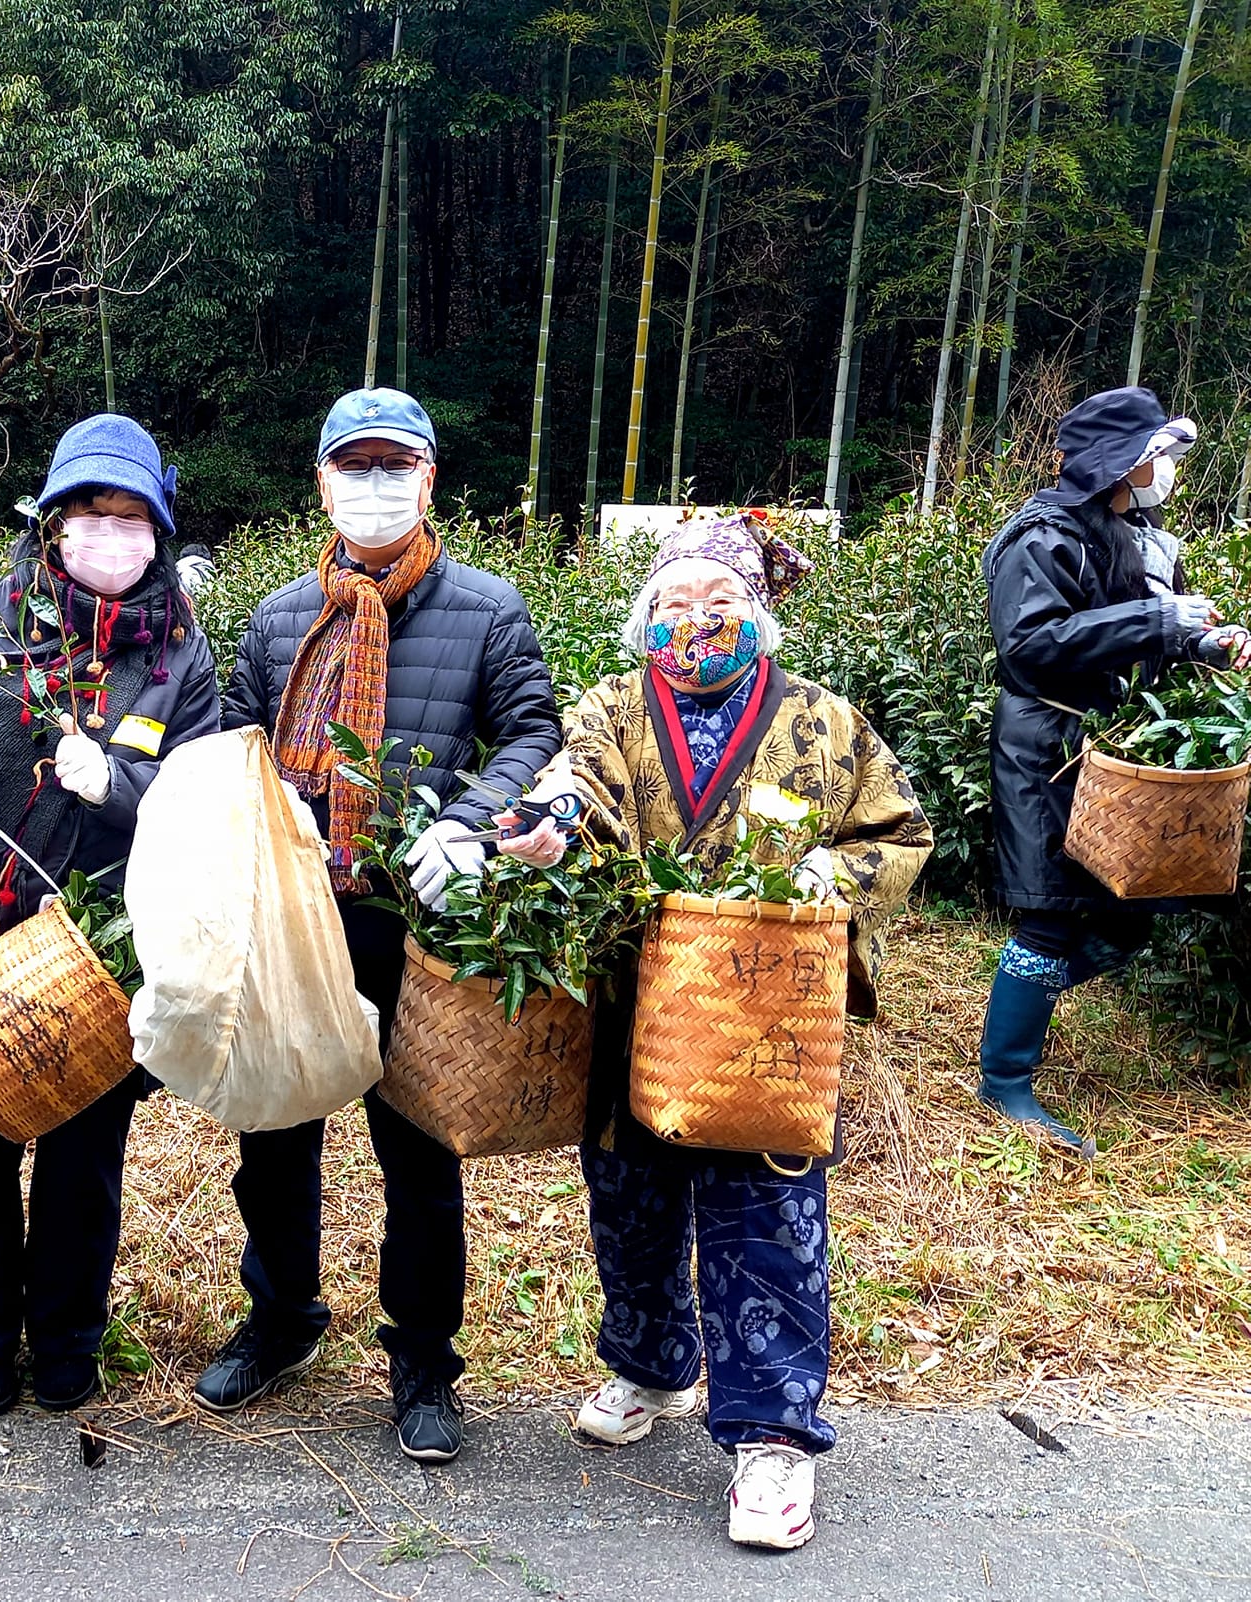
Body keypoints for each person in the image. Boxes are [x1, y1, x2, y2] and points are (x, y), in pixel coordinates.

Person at [496, 512, 932, 1549]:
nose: (696, 622)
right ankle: (651, 1366)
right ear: (644, 618)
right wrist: (548, 827)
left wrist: (834, 875)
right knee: (629, 1196)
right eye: (673, 605)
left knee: (764, 1218)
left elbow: (898, 829)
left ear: (758, 614)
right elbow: (578, 781)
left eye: (720, 602)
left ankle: (772, 1435)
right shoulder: (608, 707)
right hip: (633, 996)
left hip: (763, 1012)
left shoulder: (824, 723)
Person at [201, 387, 562, 1463]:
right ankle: (280, 1319)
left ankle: (423, 1361)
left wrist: (466, 824)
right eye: (350, 468)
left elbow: (530, 730)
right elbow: (237, 743)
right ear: (319, 484)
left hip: (419, 924)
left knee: (417, 1156)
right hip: (298, 918)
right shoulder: (276, 617)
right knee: (273, 1137)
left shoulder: (486, 608)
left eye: (390, 467)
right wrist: (268, 830)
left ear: (427, 479)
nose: (371, 486)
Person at [0, 414, 222, 1417]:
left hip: (107, 937)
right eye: (89, 515)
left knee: (83, 1157)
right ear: (52, 524)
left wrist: (112, 779)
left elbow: (198, 796)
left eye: (130, 519)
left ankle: (66, 1342)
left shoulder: (177, 654)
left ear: (156, 531)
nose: (110, 535)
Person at [978, 386, 1251, 1153]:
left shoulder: (1140, 532)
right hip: (1047, 739)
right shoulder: (1045, 534)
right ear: (1121, 462)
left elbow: (1147, 630)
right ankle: (1005, 1080)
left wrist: (1206, 642)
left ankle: (1025, 996)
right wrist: (1156, 621)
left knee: (1136, 905)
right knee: (1050, 909)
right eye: (1157, 457)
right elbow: (1031, 643)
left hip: (1114, 739)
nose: (1166, 472)